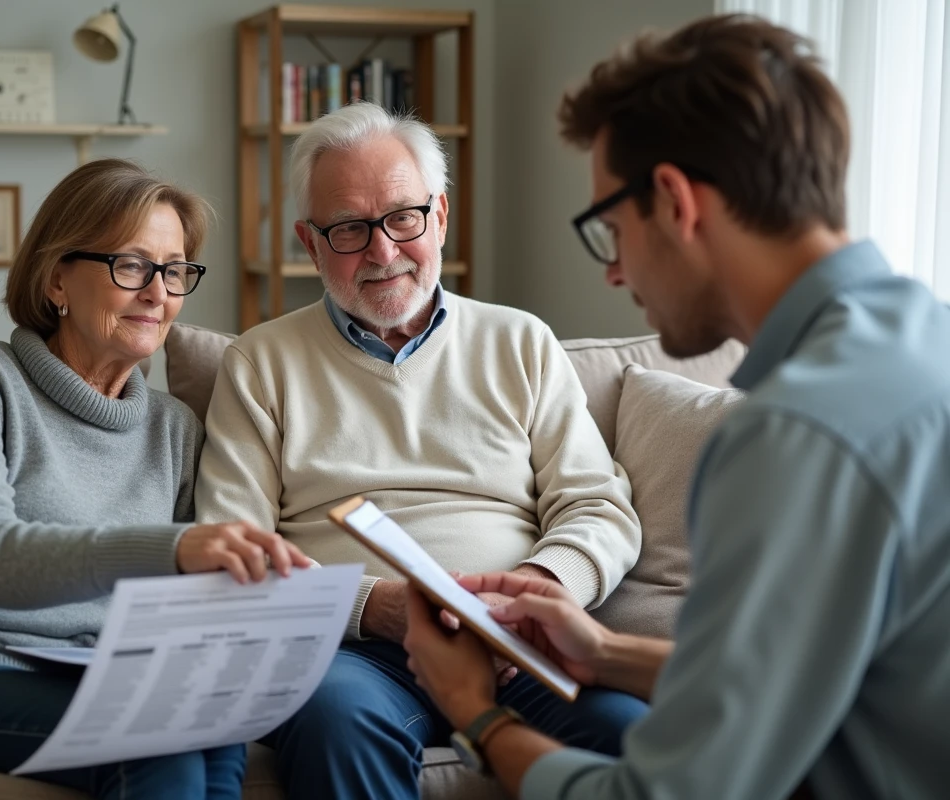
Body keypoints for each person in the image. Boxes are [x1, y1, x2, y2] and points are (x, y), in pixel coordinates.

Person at [402, 13, 950, 800]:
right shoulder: (926, 343)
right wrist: (603, 651)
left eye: (610, 229)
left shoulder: (793, 436)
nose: (614, 273)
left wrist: (474, 712)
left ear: (674, 201)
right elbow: (818, 683)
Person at [195, 102, 646, 800]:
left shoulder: (520, 342)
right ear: (310, 244)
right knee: (335, 723)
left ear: (438, 216)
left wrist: (541, 589)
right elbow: (235, 553)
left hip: (517, 645)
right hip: (355, 655)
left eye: (402, 217)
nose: (381, 252)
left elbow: (597, 505)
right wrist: (370, 606)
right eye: (348, 229)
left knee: (635, 734)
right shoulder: (261, 364)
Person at [0, 158, 312, 800]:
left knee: (215, 727)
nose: (159, 294)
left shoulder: (175, 430)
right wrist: (172, 550)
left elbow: (181, 612)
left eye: (174, 271)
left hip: (94, 672)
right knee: (154, 743)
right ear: (56, 279)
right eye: (131, 265)